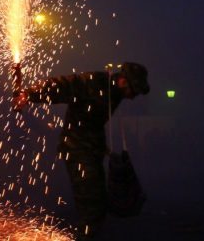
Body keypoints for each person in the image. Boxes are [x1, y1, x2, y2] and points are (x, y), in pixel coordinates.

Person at [13, 62, 150, 239]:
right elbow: (62, 85)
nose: (133, 96)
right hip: (76, 149)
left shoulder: (116, 92)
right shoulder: (94, 82)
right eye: (134, 90)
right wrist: (28, 95)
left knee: (98, 201)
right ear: (124, 81)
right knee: (91, 203)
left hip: (91, 151)